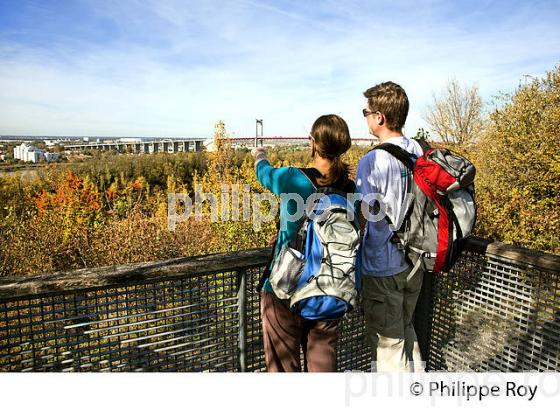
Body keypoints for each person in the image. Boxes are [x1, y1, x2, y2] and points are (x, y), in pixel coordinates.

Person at [251, 114, 355, 372]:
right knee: (323, 369)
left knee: (283, 372)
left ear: (313, 142)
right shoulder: (352, 189)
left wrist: (259, 155)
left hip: (286, 289)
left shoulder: (293, 179)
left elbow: (264, 174)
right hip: (331, 289)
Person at [355, 81, 425, 372]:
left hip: (383, 266)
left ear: (379, 117)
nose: (366, 118)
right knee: (407, 333)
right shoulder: (418, 150)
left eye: (366, 112)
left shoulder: (372, 160)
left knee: (388, 350)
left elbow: (362, 217)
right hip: (415, 261)